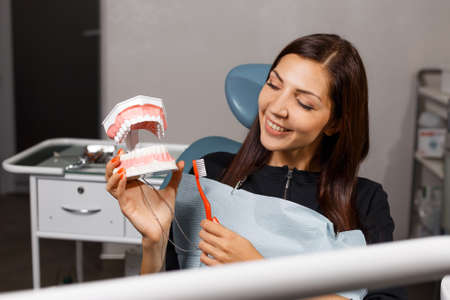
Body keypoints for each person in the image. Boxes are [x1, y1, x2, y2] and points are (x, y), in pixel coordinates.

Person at [106, 33, 407, 299]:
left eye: (304, 103)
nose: (277, 108)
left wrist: (261, 271)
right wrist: (154, 242)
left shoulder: (364, 201)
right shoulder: (208, 172)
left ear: (335, 123)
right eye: (274, 85)